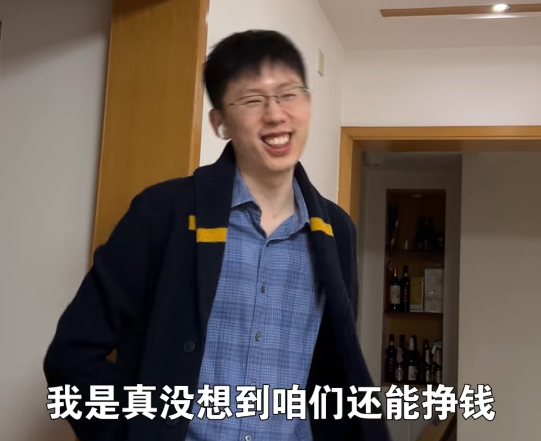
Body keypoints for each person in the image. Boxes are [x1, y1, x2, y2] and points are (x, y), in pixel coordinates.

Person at [44, 30, 390, 441]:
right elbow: (73, 355)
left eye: (288, 95)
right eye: (251, 99)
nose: (275, 114)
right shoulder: (163, 213)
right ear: (220, 122)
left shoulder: (337, 231)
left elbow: (335, 371)